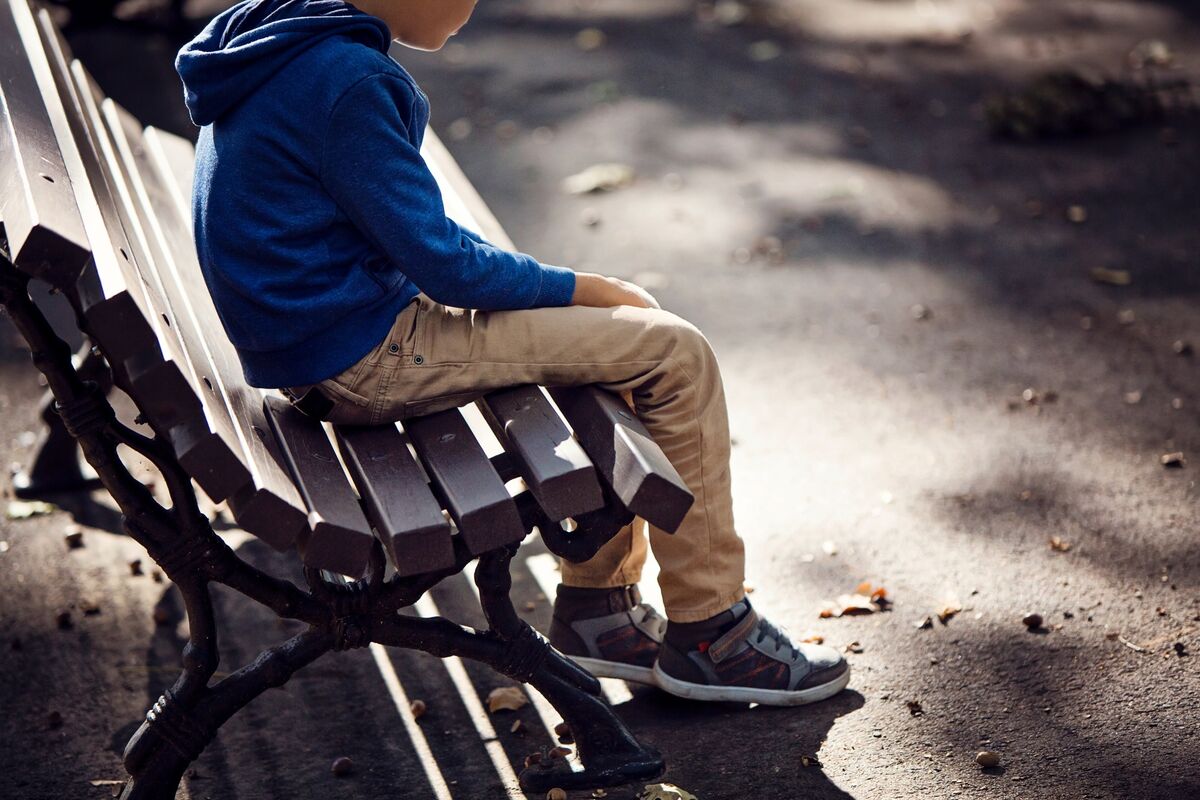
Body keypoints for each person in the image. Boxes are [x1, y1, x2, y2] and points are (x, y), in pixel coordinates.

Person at [176, 0, 849, 706]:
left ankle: (600, 614)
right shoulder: (348, 78)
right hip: (367, 357)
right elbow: (448, 268)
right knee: (674, 352)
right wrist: (585, 286)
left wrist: (562, 295)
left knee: (611, 343)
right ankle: (714, 633)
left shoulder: (276, 35)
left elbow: (410, 236)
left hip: (320, 347)